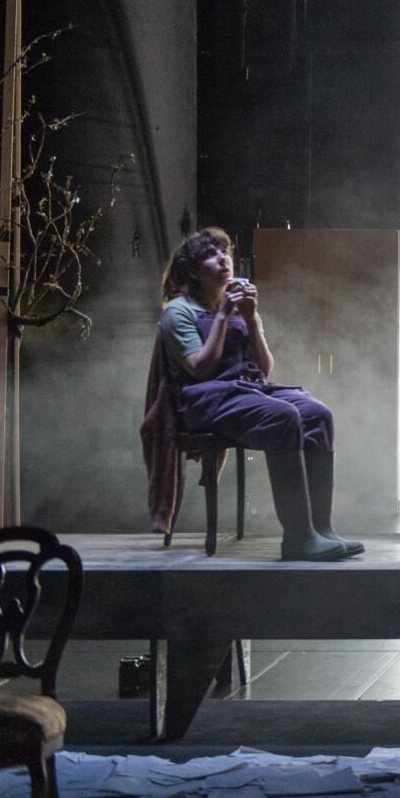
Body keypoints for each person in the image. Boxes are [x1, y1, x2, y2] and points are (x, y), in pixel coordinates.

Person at [156, 227, 362, 561]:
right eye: (210, 255)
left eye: (224, 252)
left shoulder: (242, 307)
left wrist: (251, 319)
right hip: (204, 397)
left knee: (318, 415)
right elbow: (200, 369)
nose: (222, 259)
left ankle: (322, 529)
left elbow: (264, 370)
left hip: (247, 389)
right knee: (283, 416)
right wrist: (222, 316)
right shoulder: (179, 311)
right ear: (193, 271)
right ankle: (298, 538)